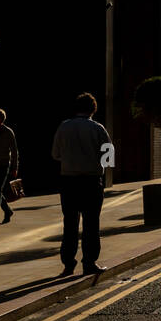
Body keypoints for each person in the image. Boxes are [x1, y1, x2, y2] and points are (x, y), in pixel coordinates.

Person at [51, 92, 111, 275]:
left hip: (68, 182)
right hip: (92, 182)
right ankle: (89, 262)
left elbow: (55, 154)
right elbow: (109, 158)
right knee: (91, 223)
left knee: (70, 223)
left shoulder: (64, 127)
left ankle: (68, 263)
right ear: (93, 109)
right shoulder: (98, 128)